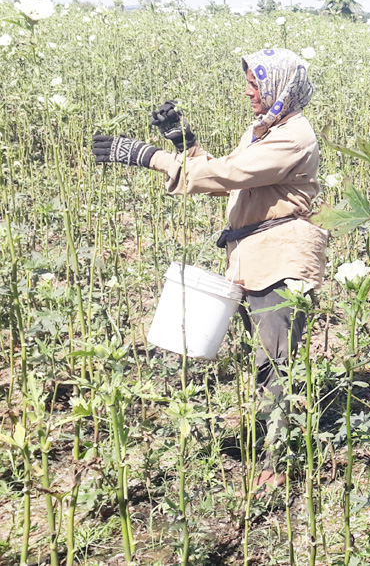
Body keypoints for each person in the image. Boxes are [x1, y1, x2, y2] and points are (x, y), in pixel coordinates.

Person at [92, 48, 328, 488]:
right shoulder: (264, 131)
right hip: (254, 254)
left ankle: (278, 466)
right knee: (264, 361)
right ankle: (267, 446)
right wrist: (186, 146)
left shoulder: (294, 137)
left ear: (280, 87)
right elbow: (232, 179)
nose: (248, 91)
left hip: (281, 258)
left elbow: (228, 175)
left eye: (255, 84)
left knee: (276, 364)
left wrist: (151, 157)